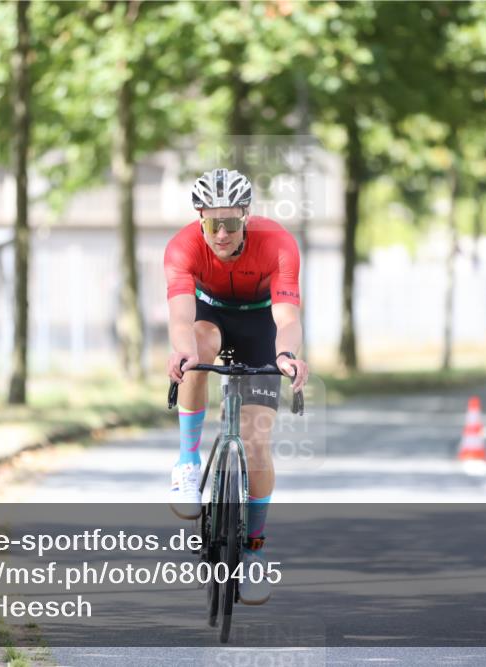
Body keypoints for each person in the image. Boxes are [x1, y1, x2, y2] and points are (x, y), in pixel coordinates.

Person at [163, 167, 308, 605]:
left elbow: (287, 319)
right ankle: (188, 463)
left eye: (231, 222)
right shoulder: (182, 248)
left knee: (256, 439)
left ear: (247, 215)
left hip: (261, 324)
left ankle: (253, 549)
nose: (221, 233)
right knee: (198, 346)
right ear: (199, 218)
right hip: (212, 317)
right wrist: (183, 352)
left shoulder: (278, 243)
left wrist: (285, 356)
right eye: (212, 223)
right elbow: (181, 317)